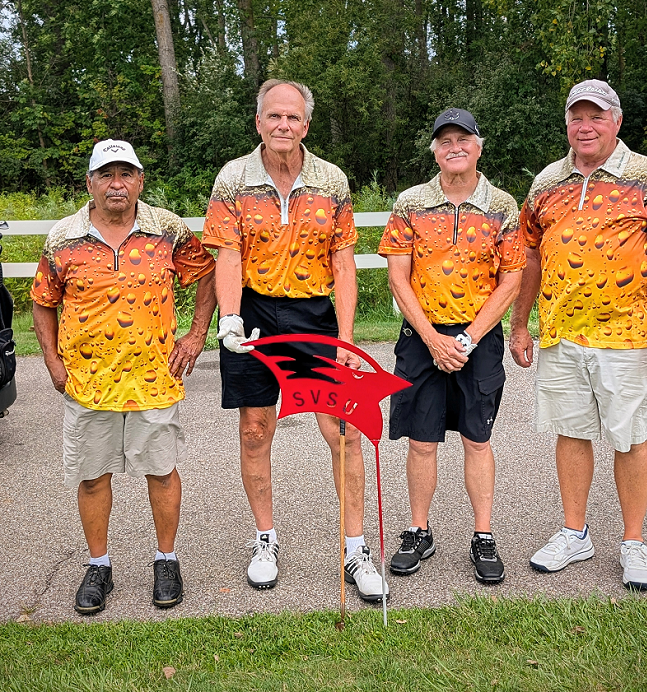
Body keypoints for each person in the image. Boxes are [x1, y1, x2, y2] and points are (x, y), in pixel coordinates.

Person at [202, 79, 387, 602]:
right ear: (258, 122)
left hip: (314, 314)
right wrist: (230, 318)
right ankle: (265, 540)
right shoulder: (233, 178)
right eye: (274, 117)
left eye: (293, 118)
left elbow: (344, 261)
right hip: (254, 310)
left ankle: (355, 549)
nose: (284, 125)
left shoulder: (331, 179)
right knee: (256, 431)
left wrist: (346, 339)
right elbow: (228, 254)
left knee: (343, 432)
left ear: (306, 125)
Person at [509, 79, 647, 590]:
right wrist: (520, 324)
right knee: (571, 433)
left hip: (628, 336)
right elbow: (531, 255)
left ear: (616, 121)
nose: (584, 127)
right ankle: (575, 532)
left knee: (629, 437)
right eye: (576, 117)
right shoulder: (547, 181)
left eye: (595, 116)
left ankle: (633, 542)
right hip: (561, 333)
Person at [32, 139, 216, 614]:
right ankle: (99, 566)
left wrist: (196, 337)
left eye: (126, 174)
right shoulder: (63, 237)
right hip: (87, 381)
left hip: (154, 377)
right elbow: (42, 300)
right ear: (89, 183)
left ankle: (166, 559)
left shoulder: (167, 230)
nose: (117, 184)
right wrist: (52, 360)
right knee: (93, 478)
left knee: (160, 470)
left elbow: (207, 274)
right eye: (106, 175)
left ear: (139, 181)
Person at [378, 108, 525, 584]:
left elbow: (512, 279)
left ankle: (483, 534)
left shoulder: (502, 204)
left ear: (479, 146)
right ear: (435, 150)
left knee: (477, 440)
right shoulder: (410, 202)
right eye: (444, 140)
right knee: (421, 441)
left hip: (477, 337)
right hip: (422, 336)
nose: (454, 147)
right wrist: (432, 339)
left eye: (463, 139)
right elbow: (398, 275)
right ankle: (419, 530)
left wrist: (466, 338)